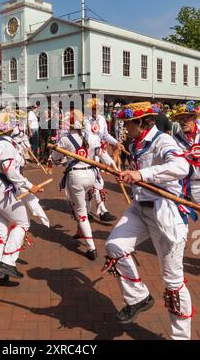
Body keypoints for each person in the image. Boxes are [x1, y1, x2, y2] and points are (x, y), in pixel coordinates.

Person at [104, 102, 192, 340]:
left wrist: (142, 174)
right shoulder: (135, 143)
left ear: (141, 123)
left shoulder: (163, 141)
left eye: (127, 123)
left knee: (173, 283)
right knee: (114, 246)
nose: (124, 128)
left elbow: (181, 166)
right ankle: (138, 297)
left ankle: (180, 338)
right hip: (140, 209)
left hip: (166, 214)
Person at [0, 121, 43, 291]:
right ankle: (7, 261)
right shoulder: (5, 145)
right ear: (9, 128)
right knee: (23, 223)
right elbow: (11, 172)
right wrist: (30, 186)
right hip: (1, 192)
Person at [51, 109, 99, 260]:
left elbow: (55, 157)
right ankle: (80, 230)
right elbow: (98, 154)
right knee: (85, 201)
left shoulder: (65, 139)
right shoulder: (92, 136)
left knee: (80, 210)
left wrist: (57, 157)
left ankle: (91, 248)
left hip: (76, 176)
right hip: (91, 174)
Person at [171, 101, 200, 203]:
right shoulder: (175, 139)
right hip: (187, 185)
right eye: (180, 120)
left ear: (194, 118)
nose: (182, 122)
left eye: (185, 118)